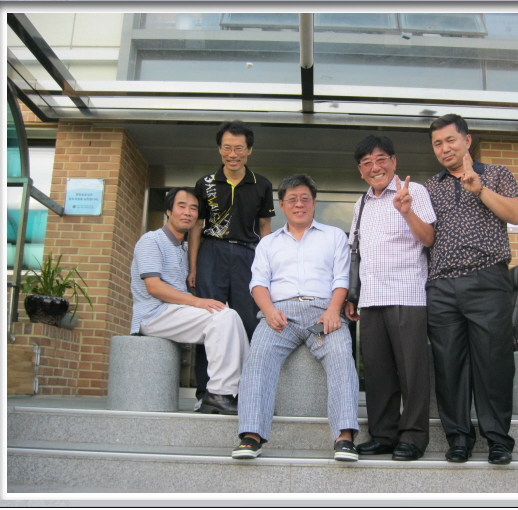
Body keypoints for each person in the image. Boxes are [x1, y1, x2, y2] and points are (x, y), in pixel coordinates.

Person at [231, 174, 360, 462]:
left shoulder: (333, 236)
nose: (298, 204)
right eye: (292, 199)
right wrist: (268, 311)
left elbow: (341, 278)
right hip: (280, 317)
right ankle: (251, 436)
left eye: (304, 199)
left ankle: (344, 437)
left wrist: (333, 310)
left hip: (322, 316)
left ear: (314, 203)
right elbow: (258, 283)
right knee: (259, 357)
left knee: (341, 355)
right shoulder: (268, 243)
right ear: (281, 205)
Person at [425, 114, 518, 465]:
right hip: (441, 285)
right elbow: (426, 236)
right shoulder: (430, 186)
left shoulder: (497, 174)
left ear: (467, 141)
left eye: (450, 140)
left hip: (487, 280)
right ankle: (458, 439)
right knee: (448, 365)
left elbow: (517, 215)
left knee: (494, 362)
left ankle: (498, 440)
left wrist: (479, 189)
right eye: (437, 143)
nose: (444, 148)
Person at [344, 135, 436, 461]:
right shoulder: (361, 203)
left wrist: (407, 211)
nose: (375, 167)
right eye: (366, 163)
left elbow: (428, 238)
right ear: (360, 171)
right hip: (371, 298)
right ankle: (383, 435)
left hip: (406, 294)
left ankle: (413, 437)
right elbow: (357, 252)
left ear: (394, 161)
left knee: (411, 371)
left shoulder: (415, 192)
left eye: (381, 159)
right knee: (377, 372)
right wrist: (353, 294)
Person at [130, 187, 250, 415]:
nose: (188, 212)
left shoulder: (185, 248)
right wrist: (197, 302)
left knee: (231, 316)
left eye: (194, 208)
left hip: (174, 312)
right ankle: (218, 394)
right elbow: (153, 286)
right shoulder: (151, 240)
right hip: (153, 314)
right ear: (168, 211)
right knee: (222, 317)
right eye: (182, 206)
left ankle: (244, 391)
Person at [188, 120, 275, 408]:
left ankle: (246, 392)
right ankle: (205, 392)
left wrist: (267, 269)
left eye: (239, 148)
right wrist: (194, 267)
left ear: (249, 150)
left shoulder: (262, 184)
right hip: (211, 253)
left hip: (247, 256)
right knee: (209, 320)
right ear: (219, 149)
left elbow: (265, 228)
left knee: (249, 322)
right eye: (227, 148)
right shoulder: (205, 184)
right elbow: (197, 227)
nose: (232, 154)